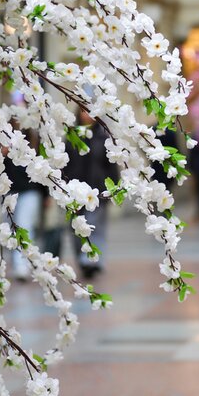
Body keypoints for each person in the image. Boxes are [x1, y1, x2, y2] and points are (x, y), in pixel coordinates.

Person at [65, 110, 118, 278]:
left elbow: (111, 166)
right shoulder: (72, 137)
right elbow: (63, 164)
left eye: (89, 112)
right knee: (76, 228)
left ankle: (93, 260)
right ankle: (83, 259)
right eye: (83, 111)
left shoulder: (103, 138)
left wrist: (113, 189)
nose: (86, 115)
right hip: (74, 191)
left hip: (97, 190)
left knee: (95, 226)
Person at [3, 132, 45, 282]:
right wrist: (2, 153)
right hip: (9, 190)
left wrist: (46, 195)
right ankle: (19, 263)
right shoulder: (2, 135)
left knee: (24, 226)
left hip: (30, 190)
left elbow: (43, 168)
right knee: (11, 229)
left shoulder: (34, 138)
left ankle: (22, 265)